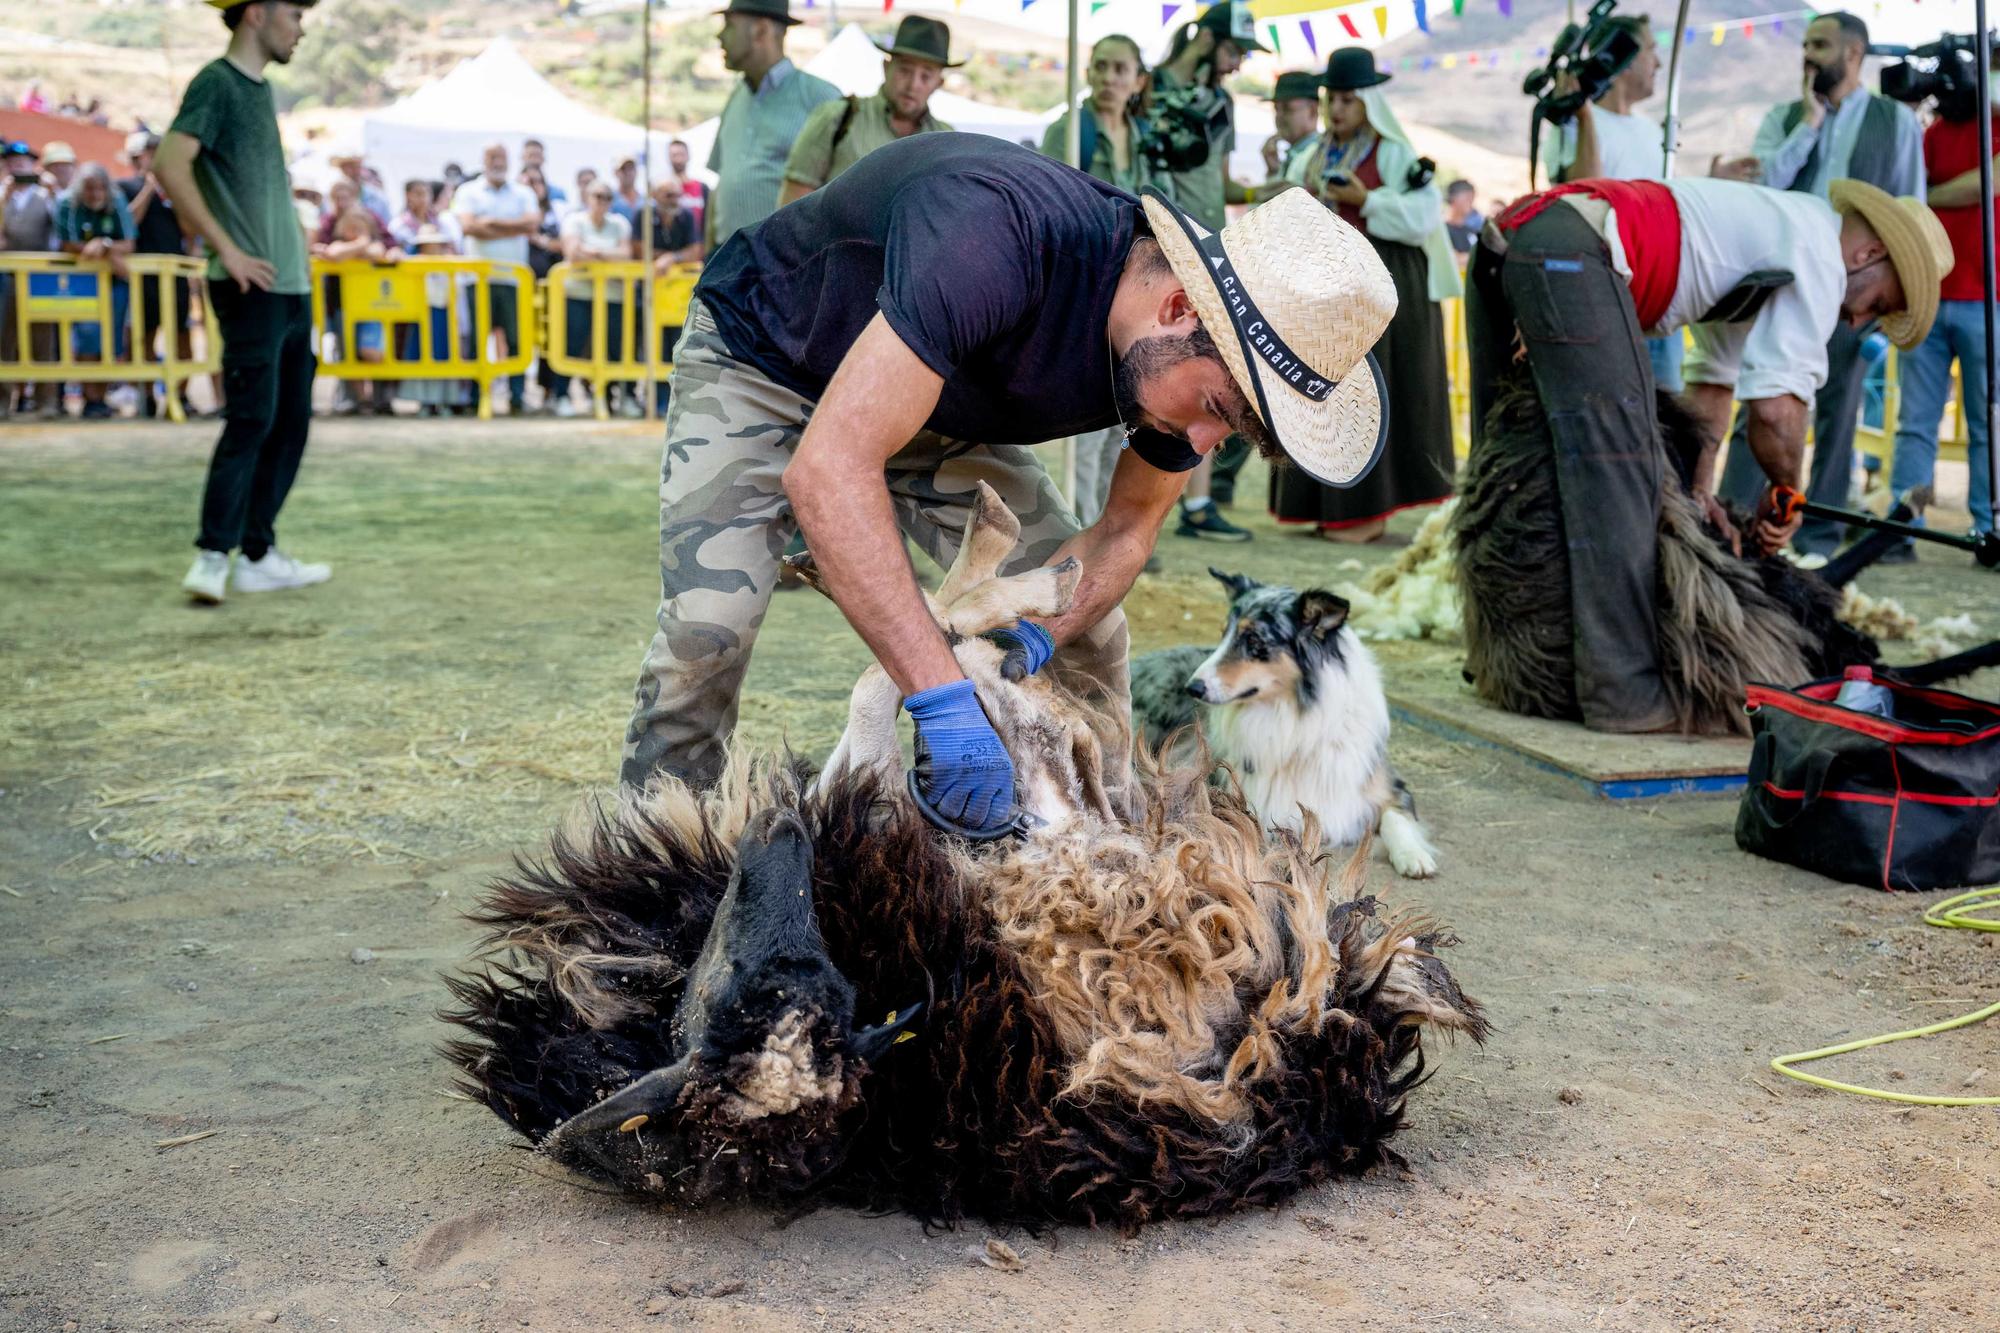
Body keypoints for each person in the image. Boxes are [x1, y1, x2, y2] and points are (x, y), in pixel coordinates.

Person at [619, 134, 1396, 834]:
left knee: (1091, 624)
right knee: (706, 629)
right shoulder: (995, 235)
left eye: (1228, 435)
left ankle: (1099, 833)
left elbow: (1126, 532)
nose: (1201, 445)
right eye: (1217, 410)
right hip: (767, 355)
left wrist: (1035, 635)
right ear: (1179, 306)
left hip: (935, 399)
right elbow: (828, 470)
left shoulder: (1181, 361)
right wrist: (941, 696)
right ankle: (655, 863)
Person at [1463, 174, 1949, 733]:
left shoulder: (1769, 239)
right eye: (1877, 302)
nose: (1858, 320)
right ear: (1869, 252)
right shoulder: (1819, 251)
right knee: (1620, 479)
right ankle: (1625, 698)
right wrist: (1788, 495)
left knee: (1507, 465)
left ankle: (1499, 662)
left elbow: (1713, 391)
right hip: (1571, 253)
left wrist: (1699, 494)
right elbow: (1776, 412)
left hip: (1515, 241)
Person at [1710, 12, 1925, 553]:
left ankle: (1819, 537)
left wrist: (1883, 299)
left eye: (1820, 44)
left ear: (1853, 54)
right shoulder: (1784, 117)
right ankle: (1734, 523)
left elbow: (1911, 209)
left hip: (1855, 287)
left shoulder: (1894, 121)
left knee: (1838, 412)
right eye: (1805, 43)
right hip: (1781, 282)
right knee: (1762, 396)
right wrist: (1808, 125)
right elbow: (1761, 188)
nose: (1808, 53)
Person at [155, 0, 328, 605]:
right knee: (252, 420)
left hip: (289, 288)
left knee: (289, 424)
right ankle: (212, 554)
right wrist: (225, 248)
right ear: (257, 13)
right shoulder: (218, 83)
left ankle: (257, 553)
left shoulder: (256, 90)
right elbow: (169, 163)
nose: (301, 27)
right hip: (251, 285)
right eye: (295, 14)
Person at [1276, 47, 1460, 543]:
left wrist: (1368, 200)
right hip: (1325, 288)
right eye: (1332, 99)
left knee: (1375, 393)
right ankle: (1329, 506)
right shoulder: (1311, 155)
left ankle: (1366, 514)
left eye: (1348, 101)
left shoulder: (1395, 154)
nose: (1337, 110)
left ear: (1368, 104)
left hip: (1383, 287)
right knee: (1323, 393)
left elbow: (1423, 217)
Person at [1152, 1, 1266, 542]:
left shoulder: (1222, 102)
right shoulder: (1150, 86)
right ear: (1208, 39)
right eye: (1235, 49)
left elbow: (1219, 185)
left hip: (1205, 246)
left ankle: (1196, 506)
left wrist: (1266, 192)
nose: (1239, 62)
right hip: (1149, 241)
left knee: (1204, 368)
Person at [1041, 33, 1158, 526]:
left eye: (1120, 69)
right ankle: (1085, 529)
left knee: (1127, 422)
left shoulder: (1146, 137)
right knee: (1087, 426)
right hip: (1088, 295)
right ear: (1087, 72)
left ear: (1138, 80)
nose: (1109, 78)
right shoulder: (1069, 131)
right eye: (1101, 67)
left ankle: (1113, 527)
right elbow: (1050, 207)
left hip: (1140, 295)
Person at [1887, 67, 2000, 560]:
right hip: (1928, 294)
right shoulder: (1933, 131)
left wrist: (1928, 197)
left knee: (1988, 424)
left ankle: (1988, 530)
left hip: (1988, 299)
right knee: (1917, 421)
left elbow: (1984, 184)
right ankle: (1901, 528)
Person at [780, 16, 957, 206]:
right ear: (886, 67)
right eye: (905, 70)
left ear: (939, 83)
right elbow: (793, 202)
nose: (913, 85)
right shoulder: (838, 117)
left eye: (926, 76)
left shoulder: (947, 141)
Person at [705, 0, 840, 247]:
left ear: (761, 29)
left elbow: (842, 192)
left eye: (730, 25)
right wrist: (709, 257)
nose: (720, 35)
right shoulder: (737, 96)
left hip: (785, 265)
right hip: (727, 258)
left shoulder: (821, 99)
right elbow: (721, 179)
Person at [452, 141, 542, 415]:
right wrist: (511, 227)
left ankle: (516, 396)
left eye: (502, 157)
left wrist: (489, 223)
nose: (497, 162)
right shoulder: (468, 191)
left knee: (516, 339)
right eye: (492, 157)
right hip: (477, 280)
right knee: (478, 339)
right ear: (483, 159)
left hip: (514, 280)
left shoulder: (523, 192)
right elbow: (468, 227)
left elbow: (531, 224)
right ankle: (477, 396)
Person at [119, 131, 198, 419]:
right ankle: (147, 397)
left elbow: (190, 230)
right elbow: (127, 222)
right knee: (144, 336)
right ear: (139, 157)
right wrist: (150, 187)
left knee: (182, 335)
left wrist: (174, 192)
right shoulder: (126, 186)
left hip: (174, 276)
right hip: (142, 277)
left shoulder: (178, 189)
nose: (156, 158)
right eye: (151, 153)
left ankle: (181, 395)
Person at [55, 162, 136, 420]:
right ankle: (90, 398)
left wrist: (104, 245)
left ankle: (100, 398)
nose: (96, 194)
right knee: (88, 337)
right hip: (81, 283)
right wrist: (100, 250)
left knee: (111, 339)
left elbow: (128, 242)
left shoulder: (117, 200)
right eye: (90, 188)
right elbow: (68, 243)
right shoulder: (68, 202)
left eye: (100, 188)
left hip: (114, 284)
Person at [558, 179, 638, 418]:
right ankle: (562, 395)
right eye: (597, 196)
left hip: (613, 297)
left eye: (606, 197)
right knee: (572, 345)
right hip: (578, 294)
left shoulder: (619, 223)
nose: (601, 201)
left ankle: (620, 397)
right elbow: (573, 254)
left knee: (617, 348)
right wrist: (607, 257)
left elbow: (626, 254)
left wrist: (592, 252)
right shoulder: (574, 220)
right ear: (587, 197)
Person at [2, 140, 62, 418]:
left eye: (23, 162)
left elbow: (59, 230)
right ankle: (4, 401)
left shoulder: (46, 195)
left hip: (41, 274)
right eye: (12, 161)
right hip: (7, 275)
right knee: (5, 338)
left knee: (43, 339)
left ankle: (46, 401)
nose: (17, 165)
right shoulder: (3, 193)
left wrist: (53, 193)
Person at [1252, 69, 1322, 199]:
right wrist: (1274, 172)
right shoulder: (1295, 153)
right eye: (1276, 109)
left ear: (1312, 110)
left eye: (1287, 109)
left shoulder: (1319, 155)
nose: (1279, 116)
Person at [668, 138, 705, 234]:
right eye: (674, 155)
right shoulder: (664, 190)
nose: (678, 159)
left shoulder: (702, 188)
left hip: (699, 243)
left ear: (688, 156)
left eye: (681, 154)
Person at [522, 138, 567, 208]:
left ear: (543, 159)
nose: (534, 160)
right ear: (523, 157)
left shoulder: (557, 194)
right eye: (531, 155)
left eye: (537, 156)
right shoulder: (511, 192)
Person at [1443, 178, 1481, 256]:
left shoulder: (1471, 231)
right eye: (1467, 199)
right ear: (1453, 198)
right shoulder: (1442, 230)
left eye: (1472, 199)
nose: (1471, 203)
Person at [610, 154, 644, 232]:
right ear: (615, 173)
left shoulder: (646, 200)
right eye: (623, 169)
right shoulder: (608, 199)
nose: (628, 172)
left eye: (631, 168)